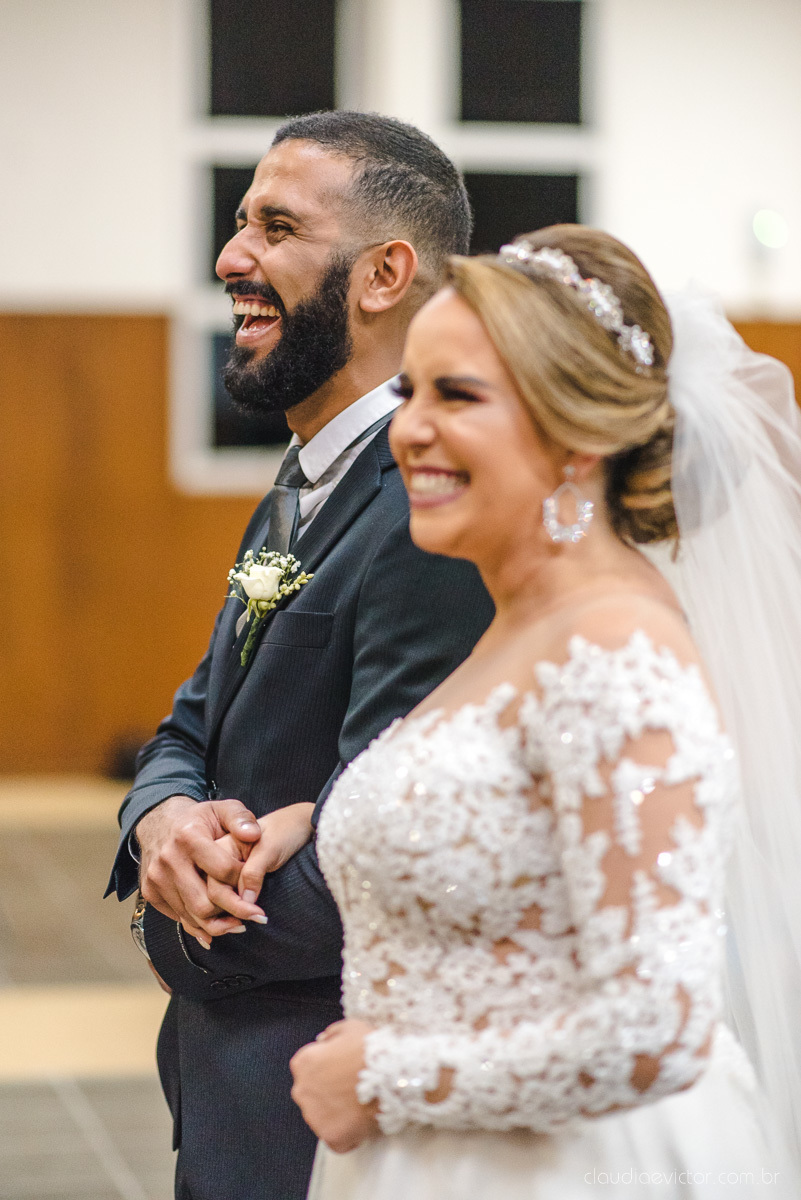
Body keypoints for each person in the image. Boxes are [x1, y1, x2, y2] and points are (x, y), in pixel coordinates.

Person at [278, 225, 801, 1197]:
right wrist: (312, 822)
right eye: (410, 392)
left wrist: (383, 1079)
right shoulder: (523, 620)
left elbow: (659, 1027)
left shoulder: (616, 655)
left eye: (459, 395)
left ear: (582, 434)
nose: (411, 430)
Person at [105, 111, 494, 1200]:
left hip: (324, 1102)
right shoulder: (300, 479)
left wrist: (174, 925)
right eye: (240, 224)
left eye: (276, 228)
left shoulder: (429, 507)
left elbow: (388, 850)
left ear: (384, 274)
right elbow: (192, 725)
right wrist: (163, 825)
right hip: (231, 1088)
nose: (232, 258)